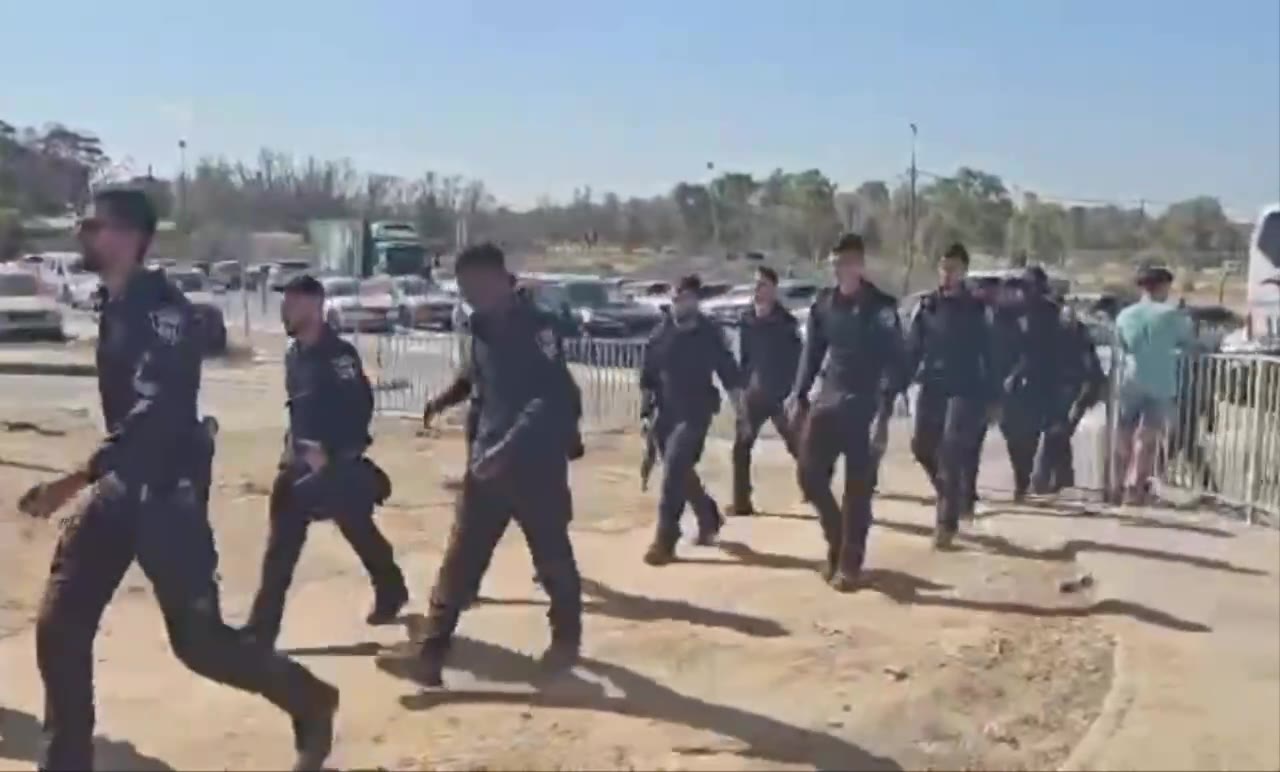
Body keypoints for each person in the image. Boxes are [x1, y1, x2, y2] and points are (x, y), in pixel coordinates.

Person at [18, 188, 338, 772]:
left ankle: (310, 701)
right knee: (59, 628)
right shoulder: (114, 304)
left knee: (202, 647)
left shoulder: (164, 311)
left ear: (132, 238)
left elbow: (159, 412)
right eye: (85, 223)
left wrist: (74, 478)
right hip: (119, 492)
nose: (85, 234)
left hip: (166, 499)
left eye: (97, 226)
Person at [416, 243, 583, 686]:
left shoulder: (537, 329)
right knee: (461, 557)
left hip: (535, 466)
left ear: (494, 279)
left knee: (551, 557)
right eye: (462, 287)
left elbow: (549, 398)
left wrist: (505, 450)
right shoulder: (481, 329)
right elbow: (475, 377)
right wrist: (442, 401)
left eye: (472, 285)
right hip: (486, 463)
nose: (466, 294)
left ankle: (566, 641)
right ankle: (433, 648)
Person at [240, 275, 408, 650]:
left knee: (358, 529)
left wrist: (334, 456)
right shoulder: (294, 354)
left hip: (333, 466)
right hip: (297, 465)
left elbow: (360, 408)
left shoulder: (339, 356)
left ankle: (391, 588)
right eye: (284, 304)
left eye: (292, 304)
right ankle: (262, 629)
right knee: (281, 547)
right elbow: (299, 409)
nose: (285, 311)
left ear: (314, 307)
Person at [787, 233, 906, 591]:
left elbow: (897, 361)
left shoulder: (881, 307)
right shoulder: (824, 304)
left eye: (846, 262)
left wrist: (883, 412)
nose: (839, 269)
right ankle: (837, 537)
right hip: (830, 398)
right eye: (835, 263)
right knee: (809, 474)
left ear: (860, 265)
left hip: (865, 404)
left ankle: (850, 564)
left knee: (858, 489)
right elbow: (812, 352)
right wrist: (799, 393)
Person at [639, 274, 744, 565]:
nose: (677, 304)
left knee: (674, 467)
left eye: (682, 298)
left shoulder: (710, 333)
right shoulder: (661, 333)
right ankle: (708, 516)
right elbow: (648, 377)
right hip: (666, 412)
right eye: (674, 298)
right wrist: (646, 414)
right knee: (680, 471)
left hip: (696, 411)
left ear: (695, 300)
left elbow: (729, 372)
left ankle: (665, 540)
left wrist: (741, 410)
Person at [903, 243, 997, 547]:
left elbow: (993, 353)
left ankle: (945, 524)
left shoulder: (977, 308)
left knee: (951, 451)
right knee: (921, 447)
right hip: (932, 386)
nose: (947, 274)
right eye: (944, 267)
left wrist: (994, 396)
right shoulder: (927, 306)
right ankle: (951, 493)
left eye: (953, 268)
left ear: (964, 271)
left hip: (966, 388)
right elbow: (912, 350)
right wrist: (897, 383)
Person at [1111, 265, 1195, 504]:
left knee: (1124, 433)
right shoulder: (1172, 315)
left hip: (1129, 378)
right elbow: (1189, 342)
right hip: (1160, 381)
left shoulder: (1125, 315)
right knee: (1146, 439)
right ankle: (1136, 489)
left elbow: (1122, 346)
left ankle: (1116, 484)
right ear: (1162, 286)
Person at [731, 266, 803, 515]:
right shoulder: (746, 319)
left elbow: (799, 360)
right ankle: (741, 503)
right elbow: (745, 358)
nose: (757, 290)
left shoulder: (786, 323)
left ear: (773, 289)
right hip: (753, 395)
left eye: (762, 285)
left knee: (797, 446)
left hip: (780, 396)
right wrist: (740, 389)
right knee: (741, 447)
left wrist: (795, 394)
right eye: (755, 284)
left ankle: (814, 488)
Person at [998, 266, 1064, 501]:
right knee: (1010, 431)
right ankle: (1022, 476)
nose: (1028, 292)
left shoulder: (1051, 313)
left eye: (1033, 287)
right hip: (1008, 382)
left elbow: (1054, 349)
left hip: (1041, 380)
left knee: (1034, 433)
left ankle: (1026, 481)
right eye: (1025, 287)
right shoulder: (1007, 312)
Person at [1031, 303, 1106, 493]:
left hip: (1077, 391)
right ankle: (1062, 477)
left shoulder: (1080, 341)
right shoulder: (1055, 338)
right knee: (1058, 435)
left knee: (1055, 435)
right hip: (1059, 390)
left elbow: (1091, 371)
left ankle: (1042, 479)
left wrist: (1083, 399)